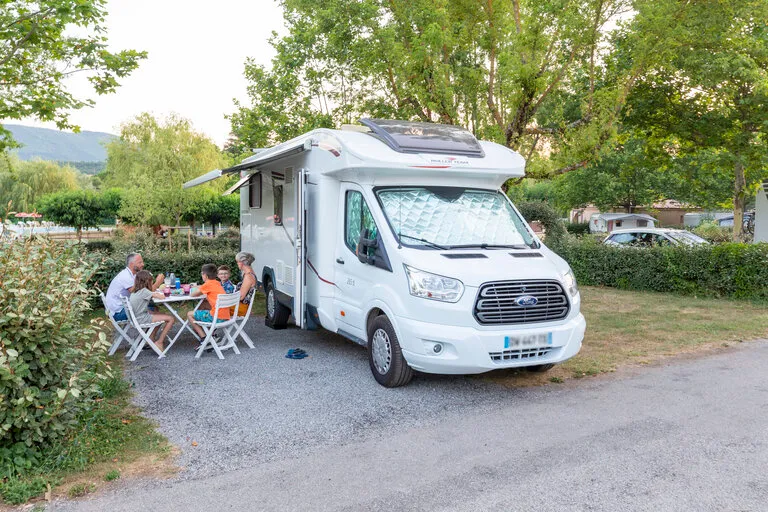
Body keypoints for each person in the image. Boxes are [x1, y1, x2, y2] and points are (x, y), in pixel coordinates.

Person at [105, 253, 164, 321]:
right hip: (118, 313)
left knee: (153, 306)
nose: (143, 264)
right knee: (153, 310)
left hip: (124, 307)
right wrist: (157, 283)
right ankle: (150, 329)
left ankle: (149, 331)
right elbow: (141, 293)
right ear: (131, 264)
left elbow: (145, 291)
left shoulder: (134, 275)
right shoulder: (125, 276)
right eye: (140, 262)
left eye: (142, 262)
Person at [129, 270, 175, 351]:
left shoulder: (135, 291)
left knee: (159, 314)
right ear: (147, 282)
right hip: (141, 318)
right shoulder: (144, 291)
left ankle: (151, 339)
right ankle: (159, 342)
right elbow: (161, 297)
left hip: (136, 317)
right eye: (151, 281)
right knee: (171, 318)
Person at [187, 263, 231, 345]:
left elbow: (193, 295)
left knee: (189, 314)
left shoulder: (207, 285)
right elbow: (204, 288)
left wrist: (192, 289)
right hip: (225, 316)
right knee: (203, 307)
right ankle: (210, 335)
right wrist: (200, 287)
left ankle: (204, 338)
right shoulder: (217, 283)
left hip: (216, 317)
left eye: (202, 274)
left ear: (205, 275)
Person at [234, 252, 257, 317]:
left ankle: (211, 326)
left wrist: (225, 299)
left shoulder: (248, 276)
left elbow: (241, 297)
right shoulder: (250, 273)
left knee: (210, 305)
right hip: (239, 306)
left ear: (241, 262)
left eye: (237, 262)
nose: (237, 264)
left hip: (241, 308)